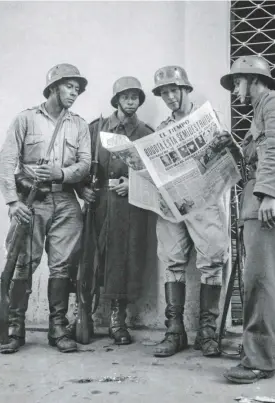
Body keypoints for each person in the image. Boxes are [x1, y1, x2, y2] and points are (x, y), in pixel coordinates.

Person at [0, 63, 91, 354]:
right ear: (53, 87)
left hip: (65, 203)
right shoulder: (25, 119)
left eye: (77, 89)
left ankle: (58, 328)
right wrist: (13, 202)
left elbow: (84, 164)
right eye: (69, 87)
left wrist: (60, 175)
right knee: (24, 263)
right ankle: (14, 328)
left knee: (62, 266)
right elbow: (6, 160)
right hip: (32, 203)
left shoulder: (79, 124)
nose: (74, 93)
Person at [220, 55, 275, 383]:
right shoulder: (261, 112)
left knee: (260, 283)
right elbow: (261, 155)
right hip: (266, 202)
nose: (236, 89)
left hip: (268, 203)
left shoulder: (274, 103)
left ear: (252, 80)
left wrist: (268, 192)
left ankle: (258, 361)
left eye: (237, 82)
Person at [151, 65, 241, 358]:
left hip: (205, 203)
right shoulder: (163, 129)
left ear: (185, 90)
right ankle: (174, 332)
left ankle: (207, 333)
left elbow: (231, 159)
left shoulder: (208, 119)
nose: (169, 97)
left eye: (173, 90)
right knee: (172, 261)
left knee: (212, 261)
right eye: (164, 93)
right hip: (172, 205)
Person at [78, 76, 153, 345]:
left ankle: (117, 321)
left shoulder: (146, 133)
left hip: (130, 208)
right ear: (117, 100)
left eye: (135, 97)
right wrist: (81, 190)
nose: (131, 101)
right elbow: (79, 164)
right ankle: (82, 313)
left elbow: (156, 174)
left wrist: (133, 184)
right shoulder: (95, 128)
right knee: (90, 258)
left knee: (123, 261)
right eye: (125, 97)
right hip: (98, 205)